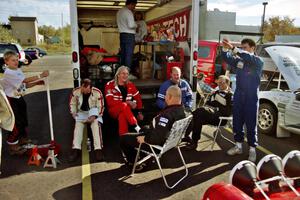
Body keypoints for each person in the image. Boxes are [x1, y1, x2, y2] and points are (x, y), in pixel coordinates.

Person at [120, 86, 186, 168]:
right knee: (144, 128)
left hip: (158, 146)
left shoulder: (166, 116)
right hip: (171, 142)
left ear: (169, 97)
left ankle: (134, 163)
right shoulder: (182, 110)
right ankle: (141, 154)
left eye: (165, 95)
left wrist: (144, 139)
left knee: (123, 138)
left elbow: (156, 139)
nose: (165, 97)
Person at [222, 38, 264, 162]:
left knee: (251, 123)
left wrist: (234, 48)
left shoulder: (258, 61)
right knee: (237, 121)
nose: (242, 49)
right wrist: (225, 48)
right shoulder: (240, 61)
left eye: (245, 47)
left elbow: (246, 56)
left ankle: (252, 149)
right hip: (239, 94)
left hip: (251, 96)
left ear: (253, 48)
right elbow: (228, 58)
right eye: (242, 47)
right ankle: (238, 146)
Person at [1, 50, 49, 155]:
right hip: (11, 99)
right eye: (13, 60)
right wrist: (40, 76)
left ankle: (22, 139)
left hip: (19, 98)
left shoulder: (17, 70)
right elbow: (25, 80)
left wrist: (37, 83)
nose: (16, 62)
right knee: (15, 123)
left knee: (23, 120)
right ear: (6, 61)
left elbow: (24, 86)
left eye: (17, 60)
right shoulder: (8, 73)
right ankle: (13, 145)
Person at [184, 75, 233, 150]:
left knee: (198, 112)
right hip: (212, 114)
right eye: (218, 83)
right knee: (197, 117)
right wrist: (212, 104)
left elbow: (229, 112)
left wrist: (218, 105)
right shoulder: (216, 92)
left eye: (222, 83)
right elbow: (208, 103)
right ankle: (193, 141)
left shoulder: (230, 95)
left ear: (227, 83)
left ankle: (188, 138)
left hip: (221, 118)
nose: (219, 85)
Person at [69, 79, 105, 162]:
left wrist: (95, 116)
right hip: (81, 112)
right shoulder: (75, 91)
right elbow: (72, 103)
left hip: (93, 112)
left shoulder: (97, 92)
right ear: (81, 86)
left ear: (91, 88)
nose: (85, 92)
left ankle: (98, 150)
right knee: (78, 127)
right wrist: (73, 113)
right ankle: (76, 149)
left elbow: (101, 107)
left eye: (87, 90)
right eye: (83, 90)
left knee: (96, 126)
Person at [104, 66, 143, 136]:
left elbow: (138, 98)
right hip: (113, 110)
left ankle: (124, 138)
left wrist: (139, 112)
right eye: (123, 73)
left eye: (127, 74)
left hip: (126, 111)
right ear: (118, 74)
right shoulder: (109, 85)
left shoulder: (130, 85)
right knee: (124, 105)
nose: (125, 76)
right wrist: (127, 102)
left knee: (122, 116)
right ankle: (135, 126)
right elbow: (110, 103)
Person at [116, 0, 137, 71]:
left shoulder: (119, 12)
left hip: (122, 35)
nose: (134, 7)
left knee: (123, 54)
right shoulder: (128, 12)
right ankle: (127, 74)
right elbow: (131, 25)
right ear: (131, 4)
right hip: (129, 35)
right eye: (134, 5)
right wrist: (136, 25)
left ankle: (122, 73)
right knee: (129, 55)